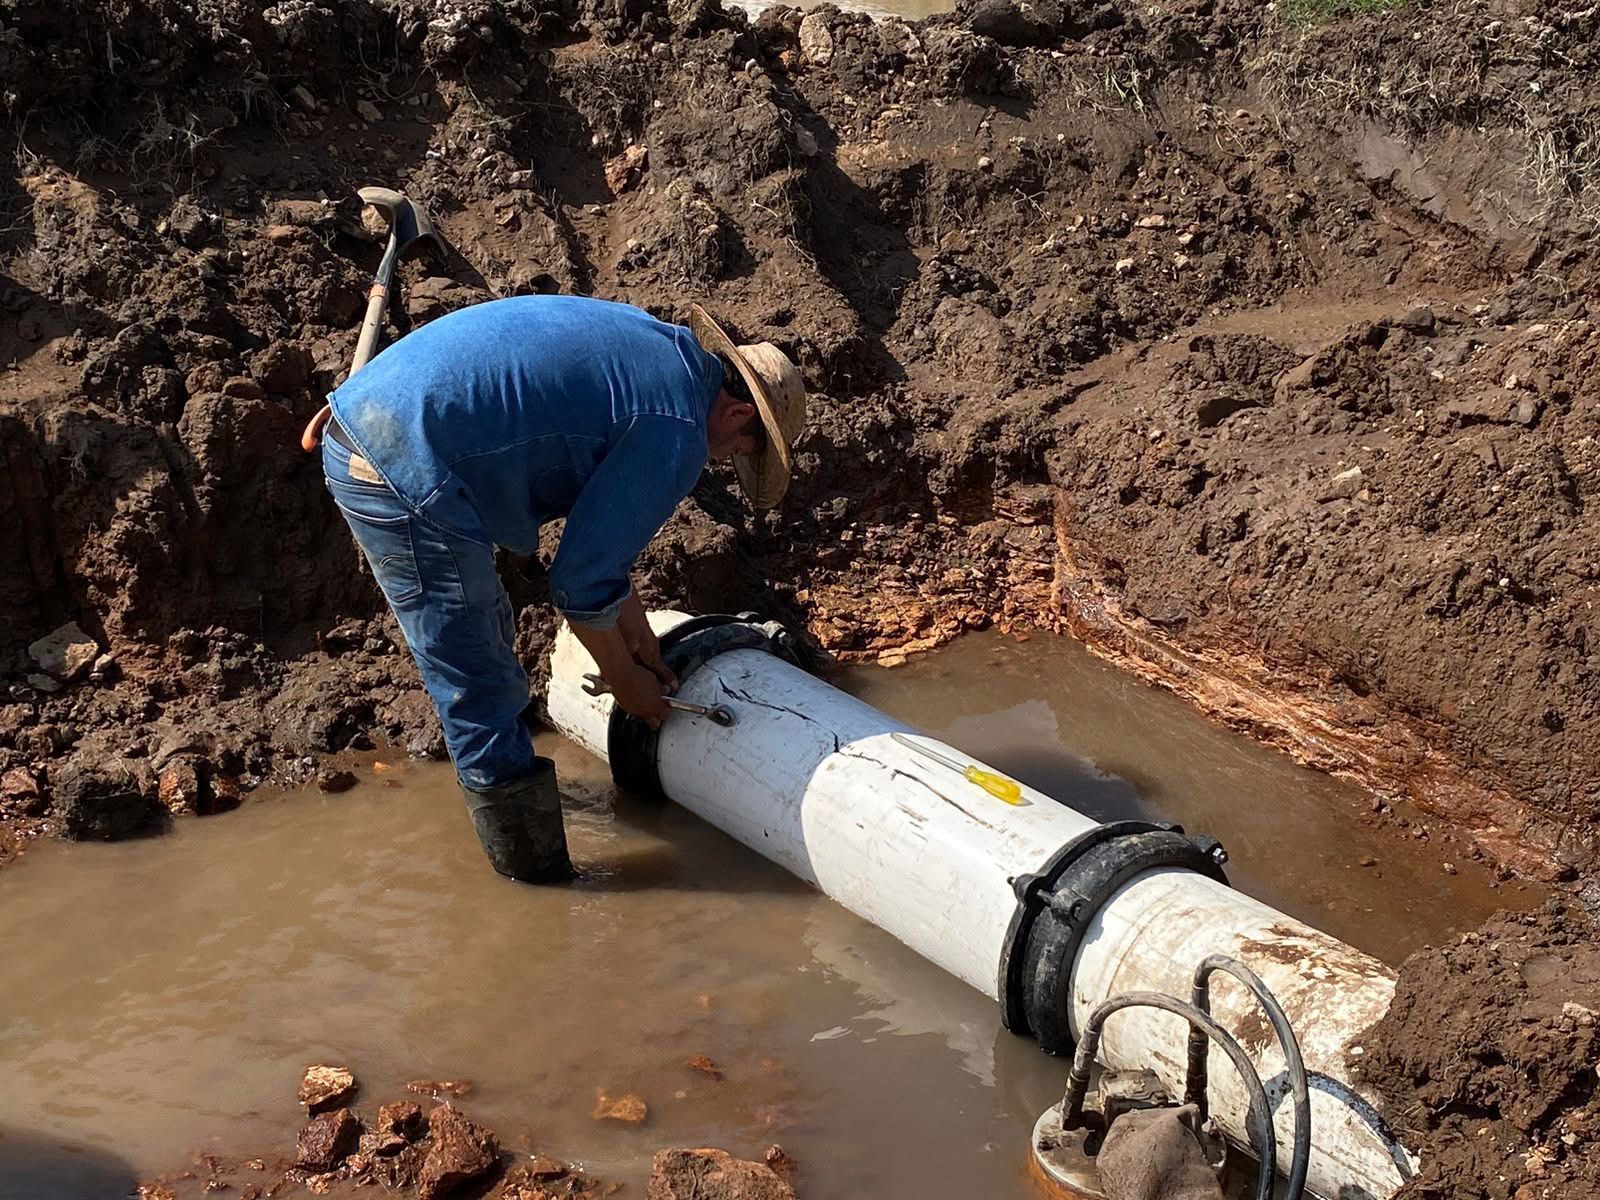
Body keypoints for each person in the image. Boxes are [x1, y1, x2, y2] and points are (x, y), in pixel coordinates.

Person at [308, 296, 807, 884]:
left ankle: (514, 782)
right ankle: (533, 878)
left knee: (487, 625)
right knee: (476, 677)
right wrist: (629, 685)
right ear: (738, 415)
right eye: (746, 451)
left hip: (383, 414)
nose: (728, 461)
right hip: (399, 463)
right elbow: (576, 583)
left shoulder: (662, 356)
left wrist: (640, 637)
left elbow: (601, 548)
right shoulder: (678, 429)